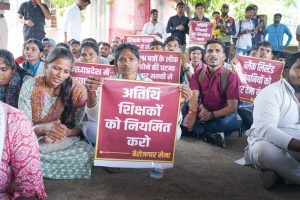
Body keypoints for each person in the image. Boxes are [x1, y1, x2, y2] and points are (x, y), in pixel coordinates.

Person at [18, 47, 93, 179]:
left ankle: (30, 164)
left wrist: (66, 132)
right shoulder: (30, 85)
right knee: (19, 149)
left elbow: (82, 127)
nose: (60, 75)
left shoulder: (78, 90)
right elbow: (23, 126)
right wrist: (43, 129)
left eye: (66, 71)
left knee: (87, 152)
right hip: (32, 137)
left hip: (63, 140)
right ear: (46, 64)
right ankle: (30, 160)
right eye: (56, 68)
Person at [244, 52, 300, 189]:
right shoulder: (271, 92)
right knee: (262, 151)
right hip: (272, 143)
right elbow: (266, 129)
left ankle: (281, 176)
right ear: (287, 71)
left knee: (279, 161)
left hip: (295, 147)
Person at [183, 39, 242, 148]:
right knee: (183, 111)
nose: (213, 54)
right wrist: (192, 113)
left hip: (221, 115)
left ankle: (199, 130)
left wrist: (211, 115)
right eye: (210, 51)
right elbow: (194, 97)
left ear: (224, 56)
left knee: (228, 123)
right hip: (203, 110)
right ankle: (208, 134)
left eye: (217, 51)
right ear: (205, 56)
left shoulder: (230, 77)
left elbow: (232, 107)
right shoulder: (199, 73)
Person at [0, 101, 47, 199]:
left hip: (33, 133)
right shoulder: (29, 87)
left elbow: (79, 125)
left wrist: (68, 132)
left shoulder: (14, 119)